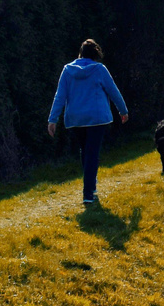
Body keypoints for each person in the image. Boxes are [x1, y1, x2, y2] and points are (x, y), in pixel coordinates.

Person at [48, 39, 128, 205]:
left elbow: (60, 96)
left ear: (80, 53)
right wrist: (123, 110)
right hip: (97, 118)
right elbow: (113, 91)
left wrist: (52, 119)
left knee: (85, 151)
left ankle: (90, 185)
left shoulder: (67, 70)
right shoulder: (99, 69)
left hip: (76, 118)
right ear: (95, 54)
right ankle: (88, 192)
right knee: (92, 153)